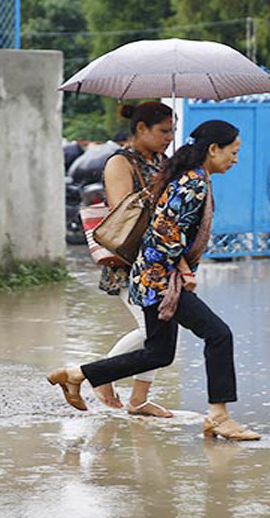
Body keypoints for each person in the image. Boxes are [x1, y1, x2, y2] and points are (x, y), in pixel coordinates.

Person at [48, 120, 261, 441]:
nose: (235, 159)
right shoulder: (193, 184)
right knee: (219, 336)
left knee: (159, 354)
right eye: (233, 152)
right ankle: (219, 415)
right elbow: (163, 233)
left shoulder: (191, 178)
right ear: (213, 149)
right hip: (161, 280)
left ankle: (77, 374)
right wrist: (183, 271)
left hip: (151, 277)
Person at [91, 102, 175, 418]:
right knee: (151, 330)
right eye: (163, 131)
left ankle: (138, 400)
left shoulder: (163, 162)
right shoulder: (120, 163)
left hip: (159, 260)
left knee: (162, 326)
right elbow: (123, 211)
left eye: (172, 131)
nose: (169, 137)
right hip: (130, 261)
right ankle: (101, 375)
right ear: (141, 129)